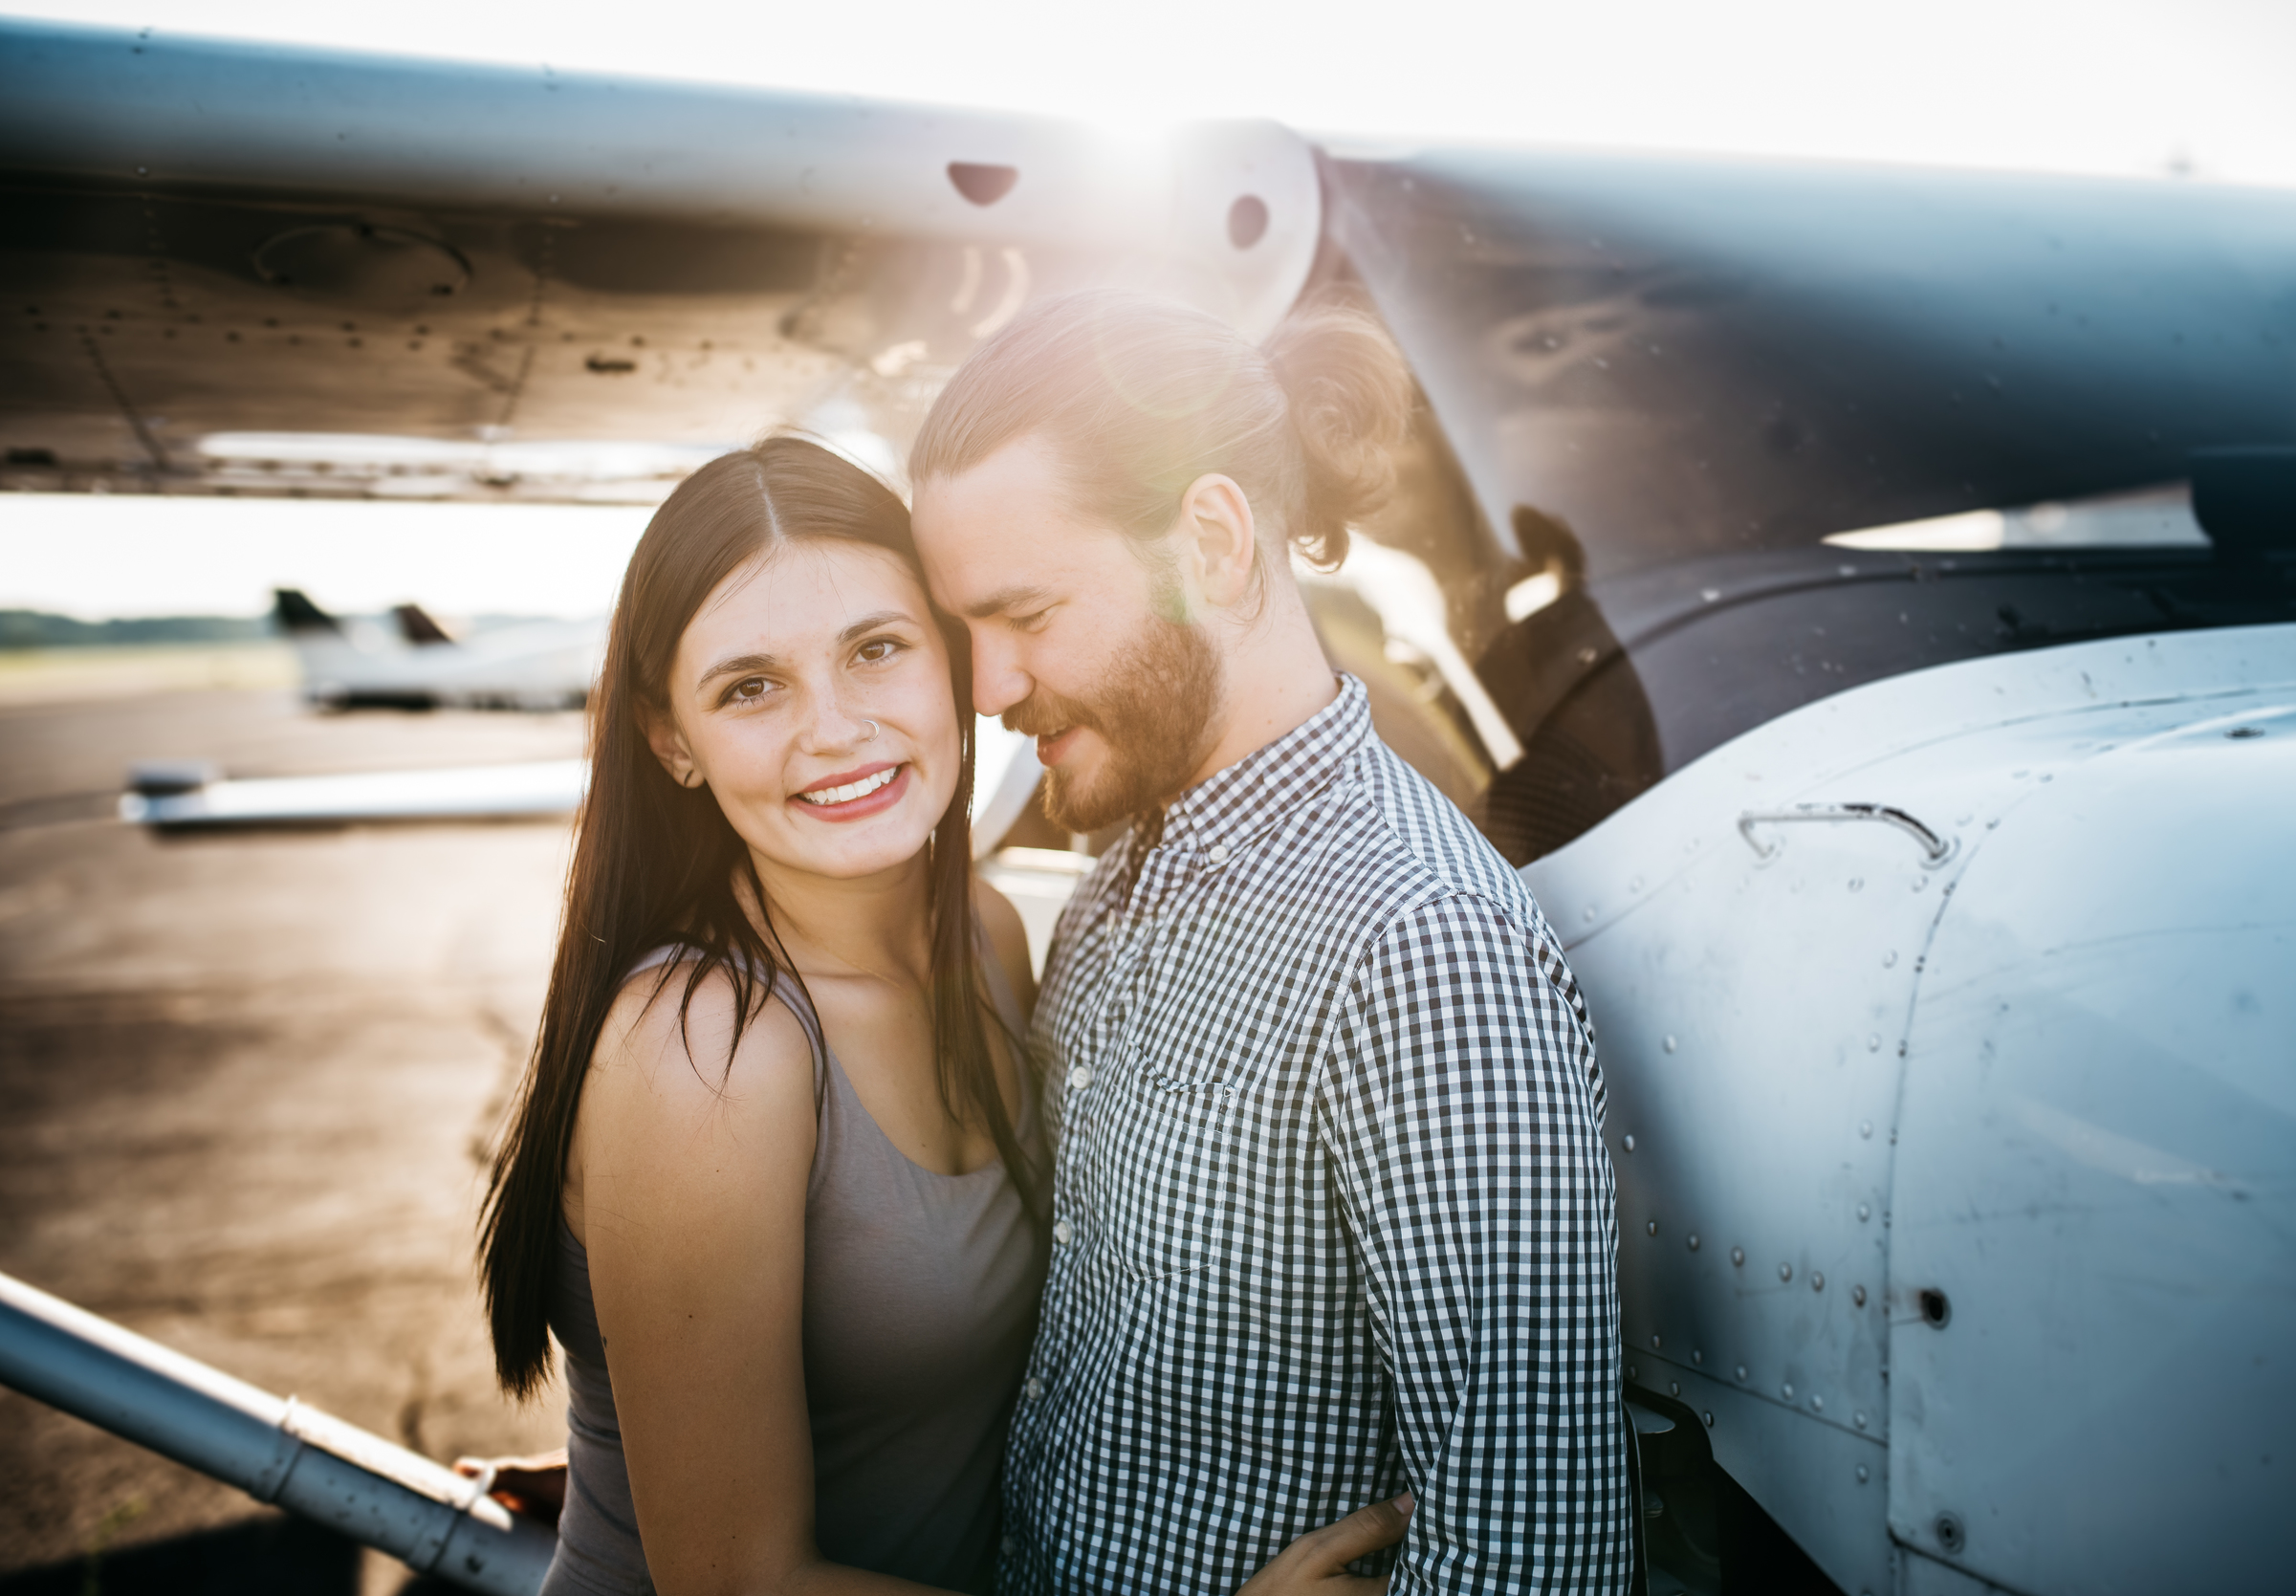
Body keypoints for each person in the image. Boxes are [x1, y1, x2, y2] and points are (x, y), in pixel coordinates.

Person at [472, 436, 1408, 1596]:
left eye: (877, 649)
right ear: (673, 739)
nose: (835, 728)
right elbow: (735, 1584)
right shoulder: (705, 1048)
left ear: (956, 658)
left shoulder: (986, 938)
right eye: (750, 686)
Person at [908, 292, 1630, 1594]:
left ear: (1214, 541)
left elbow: (1538, 1558)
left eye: (1025, 613)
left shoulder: (1420, 954)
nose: (984, 687)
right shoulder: (1113, 882)